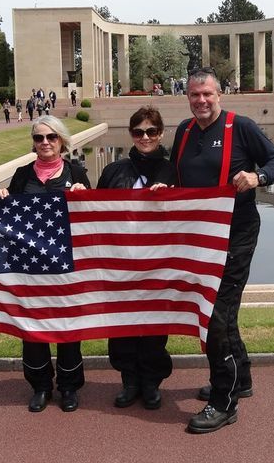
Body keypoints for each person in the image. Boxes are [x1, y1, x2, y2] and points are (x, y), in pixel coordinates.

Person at [171, 68, 274, 434]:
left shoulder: (242, 127)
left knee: (216, 315)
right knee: (224, 312)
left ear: (219, 94)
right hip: (200, 236)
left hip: (237, 233)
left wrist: (258, 177)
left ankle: (224, 402)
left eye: (207, 94)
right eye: (194, 95)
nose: (201, 101)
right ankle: (242, 378)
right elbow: (179, 180)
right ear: (187, 97)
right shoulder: (184, 132)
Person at [0, 115, 90, 414]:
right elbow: (9, 220)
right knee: (32, 324)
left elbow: (91, 217)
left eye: (50, 137)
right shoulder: (22, 175)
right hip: (29, 264)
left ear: (61, 140)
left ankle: (68, 386)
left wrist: (84, 196)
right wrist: (4, 199)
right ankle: (40, 386)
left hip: (66, 262)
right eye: (39, 138)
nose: (45, 143)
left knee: (67, 324)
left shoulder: (76, 172)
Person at [96, 106, 176, 411]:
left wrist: (169, 196)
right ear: (131, 135)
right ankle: (129, 380)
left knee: (155, 324)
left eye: (152, 131)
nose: (145, 137)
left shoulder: (172, 171)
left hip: (158, 262)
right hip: (121, 261)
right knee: (123, 323)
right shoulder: (114, 171)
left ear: (161, 133)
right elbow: (95, 215)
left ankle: (151, 382)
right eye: (139, 132)